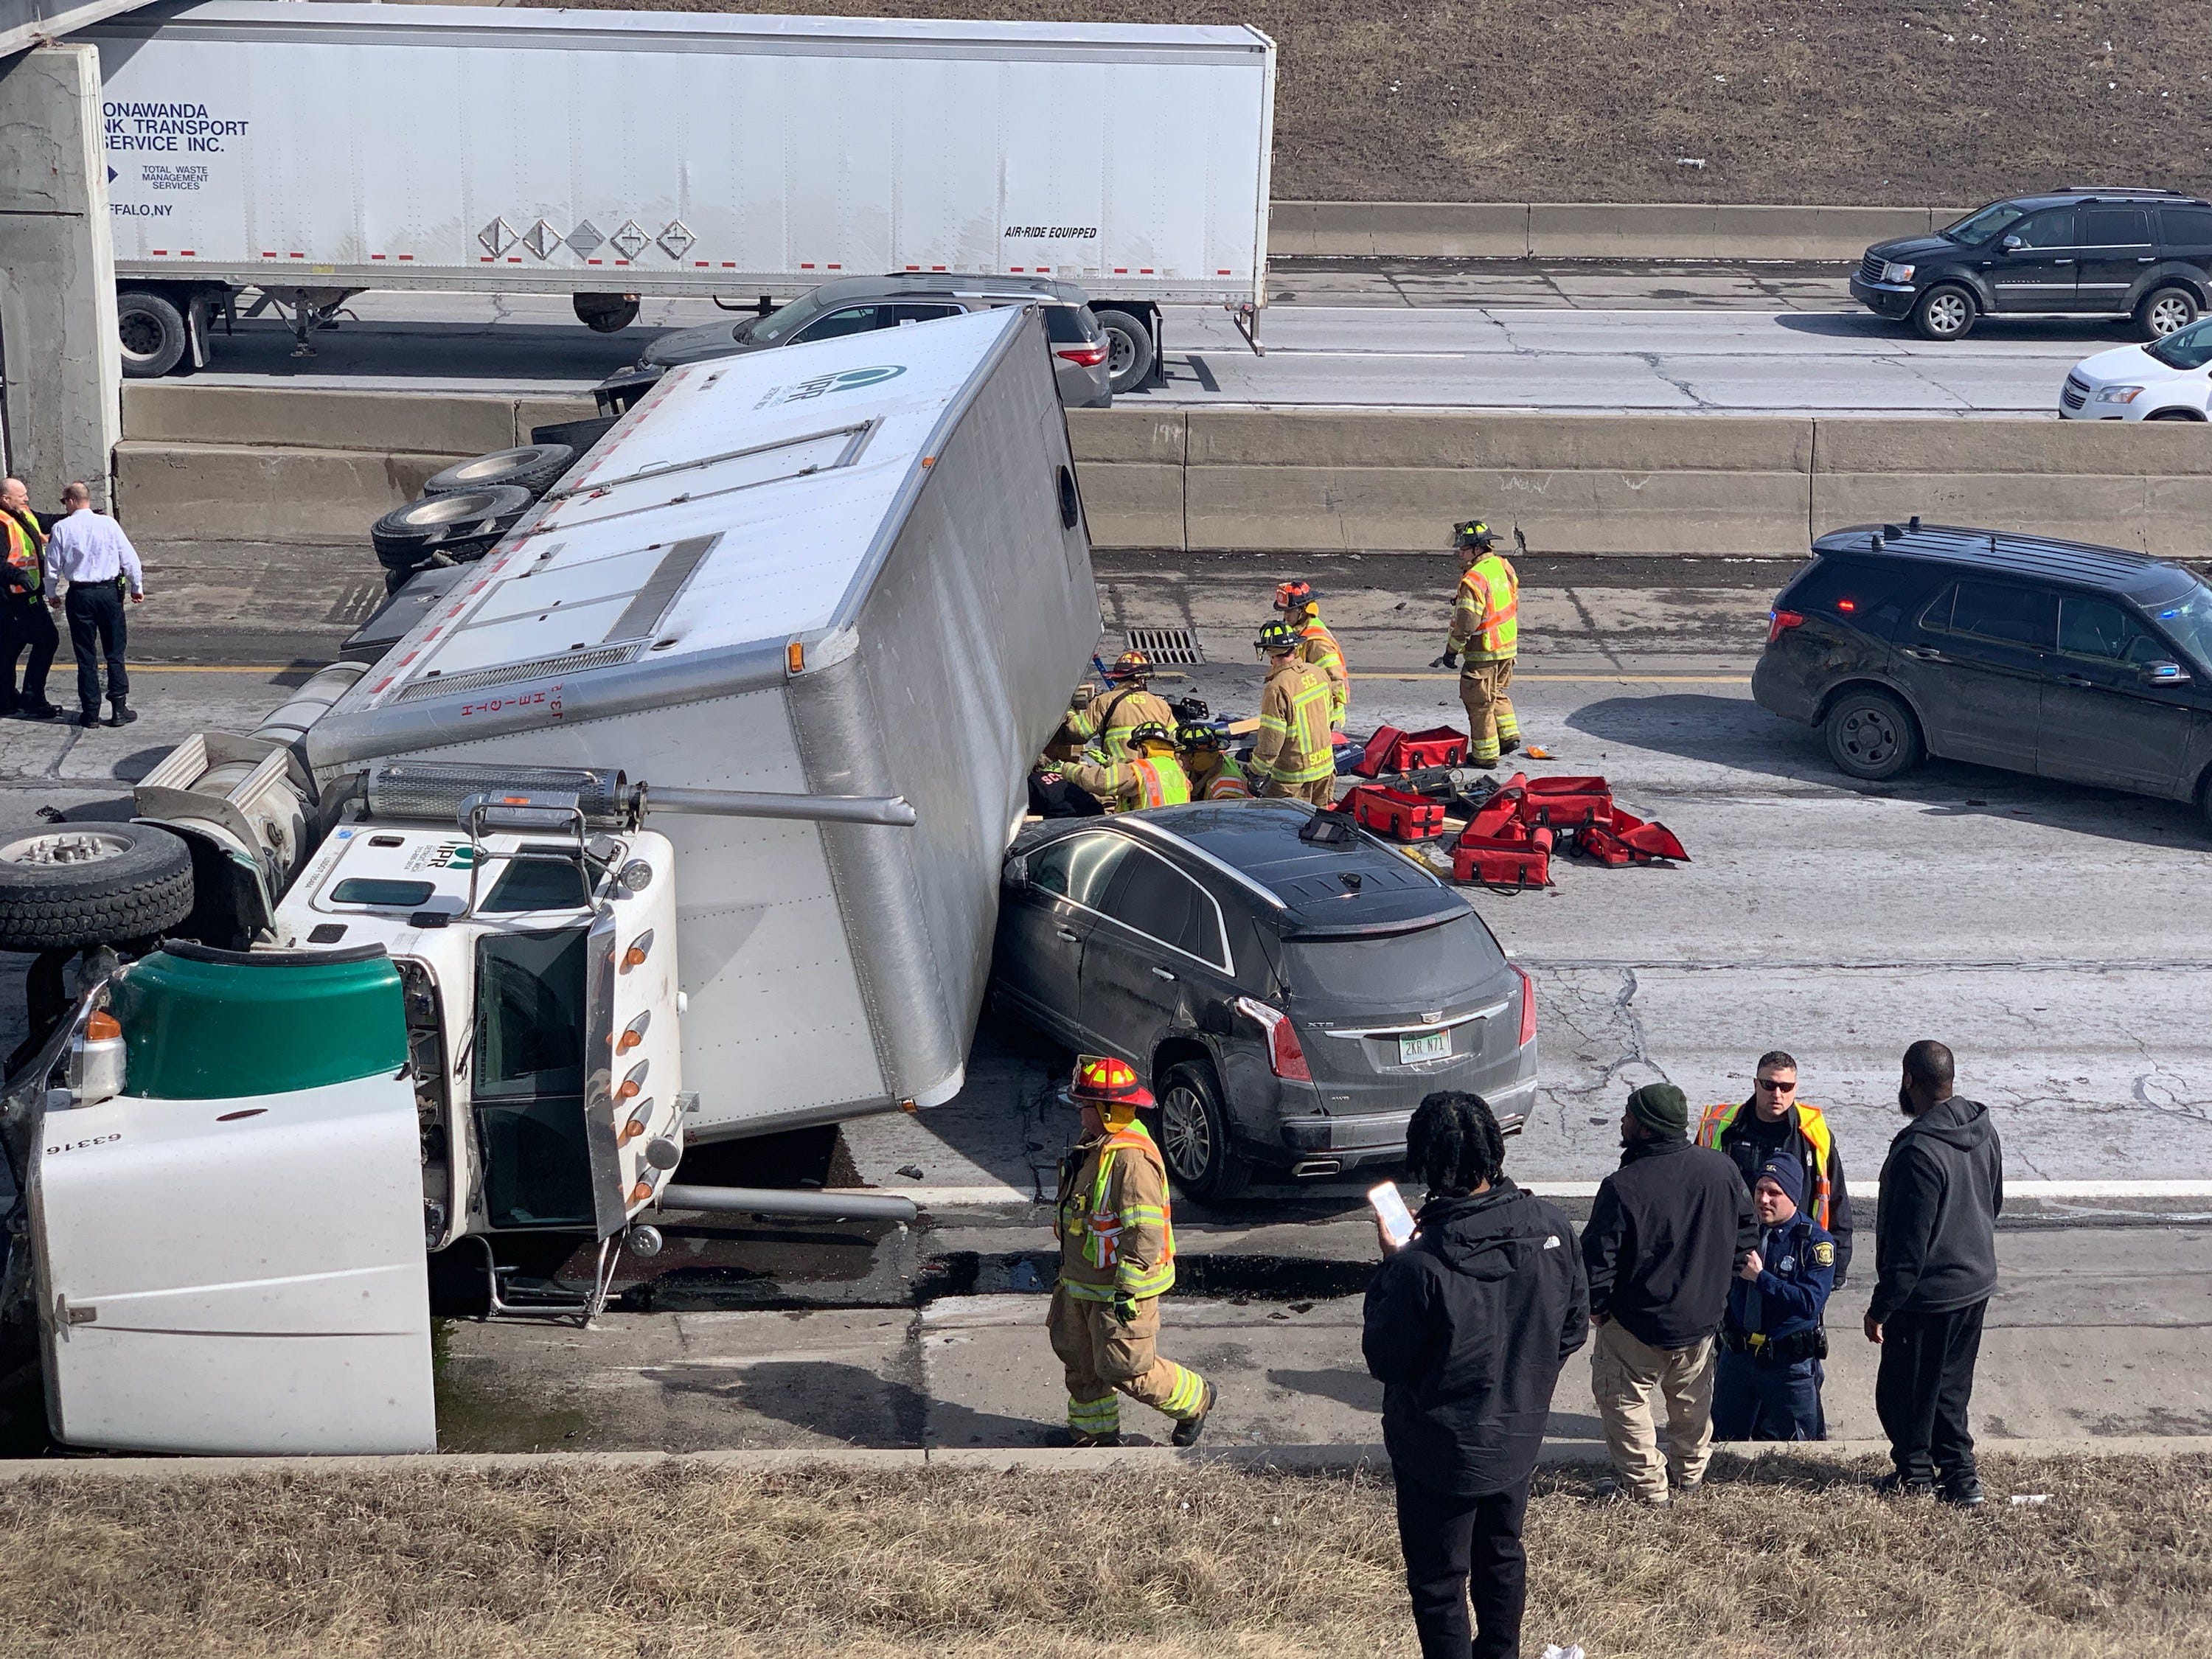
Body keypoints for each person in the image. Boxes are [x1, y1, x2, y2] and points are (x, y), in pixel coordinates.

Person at [1364, 1092, 1587, 1659]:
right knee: (1502, 1554)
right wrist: (1527, 1381)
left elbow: (1386, 1359)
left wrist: (1392, 1263)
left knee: (1441, 1584)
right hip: (1516, 1438)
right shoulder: (1552, 1226)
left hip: (1438, 1451)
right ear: (1495, 1151)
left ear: (1427, 1164)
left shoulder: (1419, 1266)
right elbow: (1572, 1327)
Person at [1582, 1081, 1757, 1505]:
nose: (1622, 1120)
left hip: (1636, 1325)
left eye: (1628, 1115)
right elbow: (1746, 1237)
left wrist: (1600, 1310)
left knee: (1624, 1403)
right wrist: (1716, 1290)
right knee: (1692, 1402)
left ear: (1646, 1129)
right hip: (1700, 1321)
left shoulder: (1623, 1186)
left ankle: (1647, 1489)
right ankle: (1690, 1474)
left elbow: (1595, 1264)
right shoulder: (1722, 1170)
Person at [1048, 1054, 1215, 1447]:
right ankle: (1095, 1435)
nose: (1079, 1112)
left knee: (1126, 1367)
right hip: (1081, 1283)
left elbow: (1144, 1233)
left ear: (1108, 1112)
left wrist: (1127, 1289)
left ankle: (1196, 1399)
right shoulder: (1096, 1145)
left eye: (1084, 1105)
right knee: (1081, 1363)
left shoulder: (1131, 1160)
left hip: (1119, 1290)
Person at [1867, 1040, 2003, 1506]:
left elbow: (1907, 1249)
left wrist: (1881, 1307)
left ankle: (1917, 1475)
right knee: (1948, 1387)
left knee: (1902, 1395)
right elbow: (1993, 1202)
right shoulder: (1983, 1128)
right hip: (1976, 1283)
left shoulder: (1917, 1153)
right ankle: (1961, 1482)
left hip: (1929, 1297)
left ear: (1909, 1081)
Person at [1697, 1050, 1854, 1287]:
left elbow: (1836, 1200)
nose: (1777, 1094)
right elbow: (1693, 1194)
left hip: (1793, 1259)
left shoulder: (1813, 1136)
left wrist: (1835, 1269)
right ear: (1755, 1084)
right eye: (1769, 1085)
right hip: (1732, 1257)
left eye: (1786, 1087)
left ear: (1796, 1088)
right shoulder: (1720, 1129)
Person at [1712, 1153, 1836, 1441]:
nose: (1764, 1199)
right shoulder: (1742, 1233)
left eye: (1774, 1193)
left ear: (1792, 1196)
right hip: (1738, 1358)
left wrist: (1761, 1278)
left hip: (1788, 1366)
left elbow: (1809, 1302)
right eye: (1759, 1190)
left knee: (1801, 1447)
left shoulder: (1814, 1243)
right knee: (1724, 1445)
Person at [42, 481, 145, 728]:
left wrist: (51, 592)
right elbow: (129, 557)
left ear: (70, 501)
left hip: (80, 595)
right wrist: (136, 586)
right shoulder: (108, 524)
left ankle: (90, 713)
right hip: (108, 593)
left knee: (86, 654)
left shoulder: (62, 528)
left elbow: (52, 565)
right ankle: (119, 708)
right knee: (115, 652)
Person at [1429, 520, 1520, 768]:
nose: (1459, 552)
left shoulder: (1473, 579)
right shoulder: (1502, 565)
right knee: (1497, 693)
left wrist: (1450, 652)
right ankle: (1509, 736)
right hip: (1507, 646)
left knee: (1479, 703)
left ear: (1477, 549)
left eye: (1464, 548)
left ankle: (1486, 755)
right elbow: (1511, 600)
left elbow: (1466, 625)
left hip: (1484, 652)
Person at [1250, 619, 1335, 804]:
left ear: (1270, 654)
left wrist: (1256, 773)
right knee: (1319, 825)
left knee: (1287, 829)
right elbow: (1329, 718)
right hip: (1324, 769)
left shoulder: (1277, 688)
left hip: (1293, 780)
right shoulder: (1318, 673)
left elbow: (1270, 742)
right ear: (1295, 648)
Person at [0, 479, 60, 720]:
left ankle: (5, 699)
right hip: (14, 597)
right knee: (47, 639)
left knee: (8, 648)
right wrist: (18, 575)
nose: (26, 499)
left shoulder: (22, 514)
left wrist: (80, 514)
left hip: (26, 594)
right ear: (6, 499)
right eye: (21, 495)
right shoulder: (2, 524)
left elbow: (47, 520)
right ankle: (33, 698)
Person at [1064, 649, 1175, 761]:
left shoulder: (1105, 701)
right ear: (1142, 679)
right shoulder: (1161, 706)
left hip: (1119, 774)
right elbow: (1177, 742)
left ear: (1118, 678)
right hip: (1153, 774)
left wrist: (1070, 710)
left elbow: (1079, 732)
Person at [1062, 720, 1191, 813]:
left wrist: (1066, 769)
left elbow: (1101, 781)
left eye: (1138, 749)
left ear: (1144, 749)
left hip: (1145, 834)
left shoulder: (1142, 769)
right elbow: (1135, 767)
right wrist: (1109, 760)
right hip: (1170, 833)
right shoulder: (1177, 769)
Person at [1276, 578, 1349, 731]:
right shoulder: (1301, 630)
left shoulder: (1317, 643)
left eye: (1290, 611)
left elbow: (1334, 680)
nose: (1285, 617)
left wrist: (1317, 711)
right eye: (1284, 611)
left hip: (1322, 711)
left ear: (1303, 610)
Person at [1177, 720, 1251, 800]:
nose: (1180, 757)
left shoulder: (1224, 789)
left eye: (1183, 754)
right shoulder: (1208, 764)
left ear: (1198, 757)